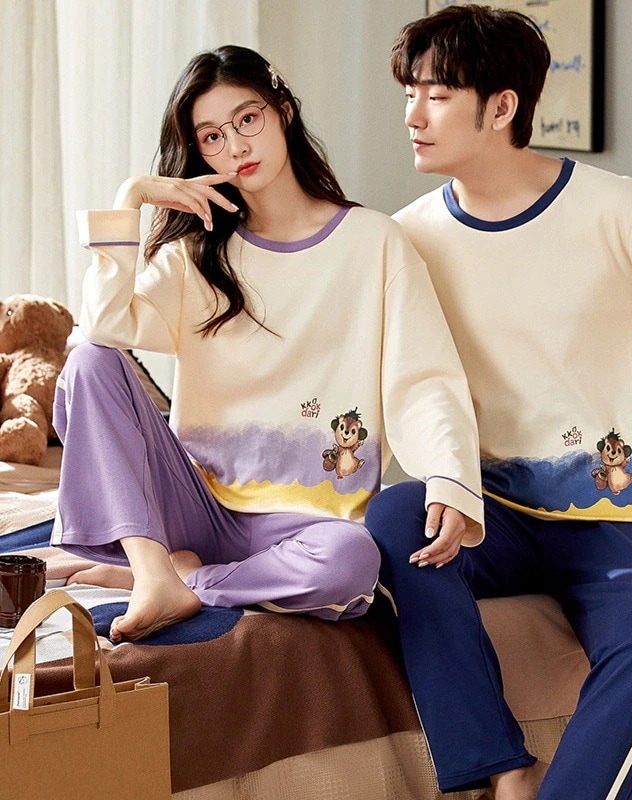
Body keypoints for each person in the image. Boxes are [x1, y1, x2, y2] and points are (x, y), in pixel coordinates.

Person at [365, 6, 632, 800]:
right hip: (489, 513)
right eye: (409, 94)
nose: (413, 116)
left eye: (437, 95)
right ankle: (499, 762)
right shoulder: (407, 238)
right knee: (393, 516)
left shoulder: (618, 211)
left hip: (620, 517)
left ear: (502, 107)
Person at [52, 44, 484, 644]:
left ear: (283, 110)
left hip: (309, 526)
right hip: (194, 506)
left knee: (353, 559)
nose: (235, 147)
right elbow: (102, 331)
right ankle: (151, 570)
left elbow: (424, 379)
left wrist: (449, 478)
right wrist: (132, 198)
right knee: (89, 361)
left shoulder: (374, 243)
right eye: (212, 137)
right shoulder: (195, 255)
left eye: (247, 119)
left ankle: (185, 580)